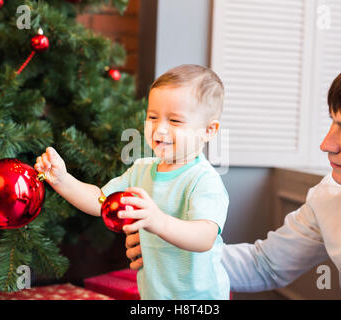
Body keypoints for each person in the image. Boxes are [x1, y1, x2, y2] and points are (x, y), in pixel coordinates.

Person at [125, 50, 341, 300]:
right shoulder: (331, 195)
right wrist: (172, 252)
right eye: (333, 122)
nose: (326, 144)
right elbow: (265, 265)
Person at [35, 64, 230, 299]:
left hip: (200, 297)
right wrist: (63, 181)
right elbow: (100, 202)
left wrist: (157, 220)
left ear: (209, 131)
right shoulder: (141, 170)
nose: (160, 129)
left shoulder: (203, 179)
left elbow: (204, 237)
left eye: (175, 121)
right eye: (153, 117)